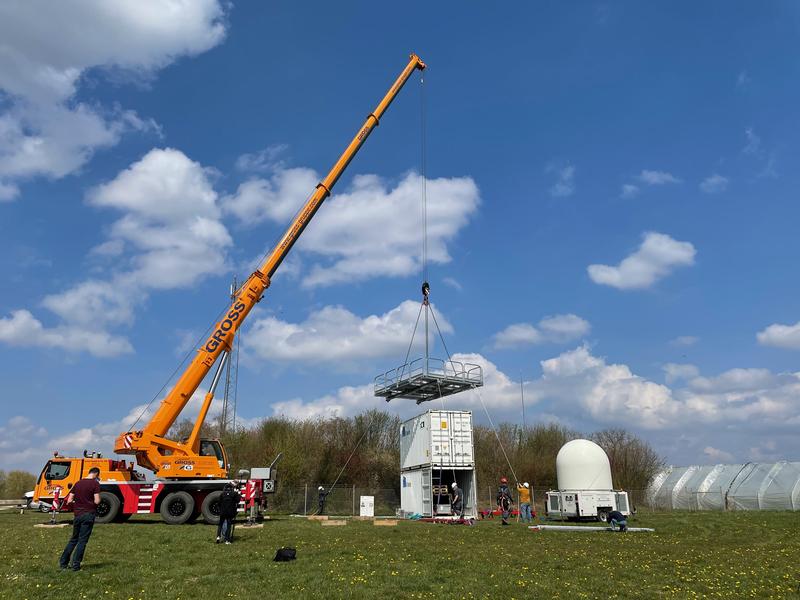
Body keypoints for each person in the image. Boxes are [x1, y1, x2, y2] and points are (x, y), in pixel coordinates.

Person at [59, 467, 101, 571]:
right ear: (96, 474)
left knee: (73, 539)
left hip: (77, 515)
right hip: (88, 514)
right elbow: (97, 501)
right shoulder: (95, 484)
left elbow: (69, 499)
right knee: (82, 541)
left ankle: (63, 563)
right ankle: (76, 565)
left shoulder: (77, 483)